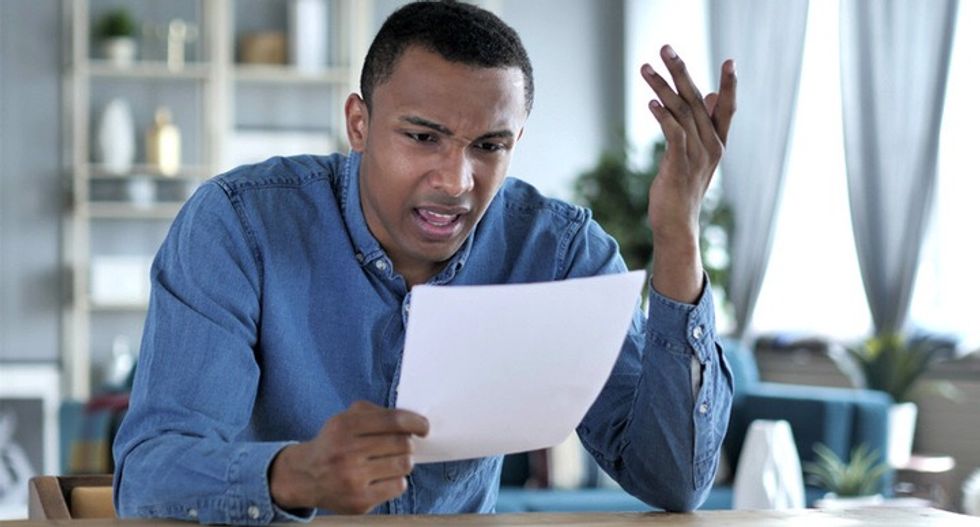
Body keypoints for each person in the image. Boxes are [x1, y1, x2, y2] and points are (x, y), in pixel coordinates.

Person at [112, 1, 736, 523]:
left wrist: (678, 234)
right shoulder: (238, 225)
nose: (456, 181)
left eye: (488, 146)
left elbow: (672, 481)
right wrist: (294, 475)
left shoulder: (559, 251)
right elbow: (148, 475)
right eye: (422, 137)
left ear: (516, 141)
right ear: (359, 123)